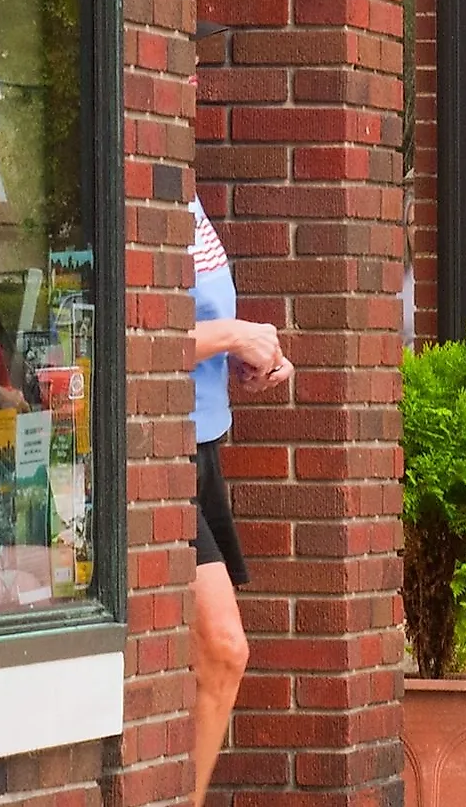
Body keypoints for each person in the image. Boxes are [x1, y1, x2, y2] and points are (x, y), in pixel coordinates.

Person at [189, 197, 292, 807]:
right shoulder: (145, 185)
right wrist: (235, 333)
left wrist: (251, 363)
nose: (193, 92)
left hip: (203, 448)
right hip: (154, 455)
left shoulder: (191, 202)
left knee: (212, 658)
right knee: (224, 649)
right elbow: (132, 334)